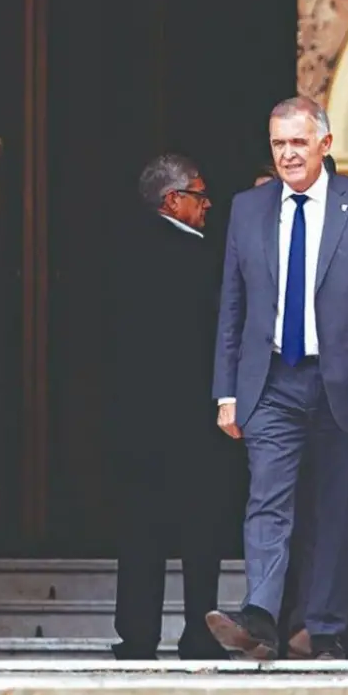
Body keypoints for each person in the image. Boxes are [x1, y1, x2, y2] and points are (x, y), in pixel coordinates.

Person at [206, 96, 348, 660]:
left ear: (325, 143)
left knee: (335, 508)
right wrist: (226, 391)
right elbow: (232, 306)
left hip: (346, 383)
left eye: (298, 142)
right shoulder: (247, 209)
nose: (288, 154)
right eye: (278, 144)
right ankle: (262, 617)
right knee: (267, 498)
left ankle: (322, 629)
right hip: (272, 380)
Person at [109, 154, 232, 660]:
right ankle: (199, 631)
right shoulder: (204, 259)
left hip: (134, 418)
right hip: (193, 419)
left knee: (140, 527)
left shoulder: (117, 254)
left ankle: (137, 634)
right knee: (201, 528)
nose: (207, 206)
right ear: (173, 200)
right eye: (200, 196)